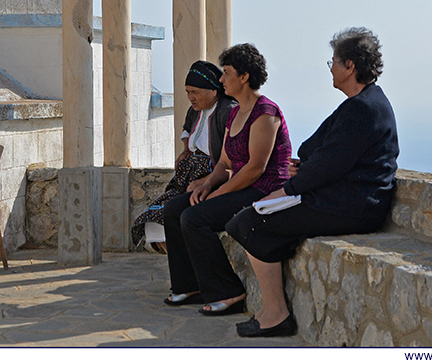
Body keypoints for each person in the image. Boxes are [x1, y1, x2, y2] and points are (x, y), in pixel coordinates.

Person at [226, 28, 398, 338]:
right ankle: (271, 310)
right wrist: (305, 166)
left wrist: (287, 189)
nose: (330, 67)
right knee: (249, 220)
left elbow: (329, 164)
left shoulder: (363, 109)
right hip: (342, 198)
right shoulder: (359, 103)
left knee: (248, 223)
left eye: (333, 61)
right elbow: (314, 149)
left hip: (353, 207)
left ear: (350, 67)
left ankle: (276, 313)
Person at [160, 44, 291, 315]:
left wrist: (218, 195)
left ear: (244, 77)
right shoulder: (235, 112)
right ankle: (190, 285)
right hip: (240, 186)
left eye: (227, 73)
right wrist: (208, 184)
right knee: (174, 210)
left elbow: (255, 168)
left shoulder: (265, 113)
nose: (221, 79)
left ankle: (228, 292)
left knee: (194, 217)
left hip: (263, 190)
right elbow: (224, 162)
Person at [132, 60, 236, 252]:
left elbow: (230, 161)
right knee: (154, 219)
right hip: (188, 176)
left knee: (177, 214)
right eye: (187, 92)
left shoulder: (227, 111)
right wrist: (186, 153)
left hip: (212, 177)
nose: (190, 97)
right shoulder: (194, 111)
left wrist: (205, 181)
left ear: (213, 91)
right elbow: (191, 138)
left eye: (194, 92)